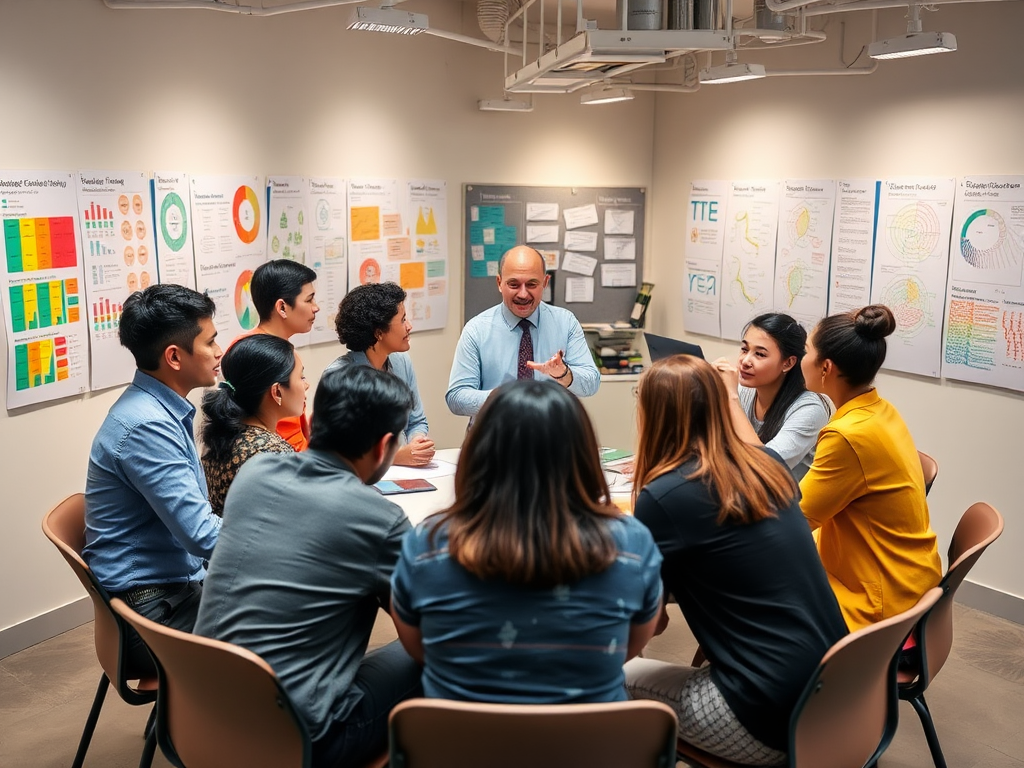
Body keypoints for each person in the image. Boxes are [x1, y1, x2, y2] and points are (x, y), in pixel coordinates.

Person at [625, 355, 847, 766]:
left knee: (612, 681)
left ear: (651, 412)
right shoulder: (768, 466)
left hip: (765, 719)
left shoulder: (665, 496)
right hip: (834, 697)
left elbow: (650, 624)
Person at [194, 365, 421, 768]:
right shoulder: (380, 519)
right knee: (435, 659)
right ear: (385, 446)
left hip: (198, 715)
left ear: (312, 424)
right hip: (301, 740)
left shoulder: (255, 473)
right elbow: (422, 640)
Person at [391, 380, 663, 703]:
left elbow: (418, 648)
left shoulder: (426, 544)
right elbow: (630, 646)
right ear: (584, 454)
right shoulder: (632, 545)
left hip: (459, 735)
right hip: (590, 735)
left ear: (478, 453)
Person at [84, 284, 223, 677]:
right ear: (174, 356)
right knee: (298, 619)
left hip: (165, 595)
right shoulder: (146, 426)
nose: (220, 351)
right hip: (150, 619)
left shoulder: (157, 409)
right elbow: (203, 536)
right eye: (210, 342)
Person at [799, 304, 942, 631]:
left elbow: (797, 520)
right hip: (910, 575)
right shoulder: (881, 410)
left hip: (878, 600)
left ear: (826, 367)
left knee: (748, 585)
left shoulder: (847, 435)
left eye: (806, 350)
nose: (802, 357)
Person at [446, 245, 600, 418]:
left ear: (545, 283)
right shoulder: (476, 330)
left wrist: (564, 374)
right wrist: (505, 398)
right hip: (495, 431)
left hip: (552, 431)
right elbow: (456, 398)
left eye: (532, 284)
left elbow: (592, 383)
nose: (523, 294)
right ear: (499, 283)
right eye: (514, 284)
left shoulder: (566, 323)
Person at [326, 282, 435, 467]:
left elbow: (417, 421)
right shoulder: (338, 376)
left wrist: (418, 442)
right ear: (379, 333)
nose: (409, 326)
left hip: (406, 472)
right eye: (403, 320)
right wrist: (397, 457)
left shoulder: (402, 362)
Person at [712, 313, 830, 481]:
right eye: (744, 349)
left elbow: (764, 467)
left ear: (788, 363)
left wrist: (731, 397)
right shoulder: (744, 390)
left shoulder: (810, 410)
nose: (745, 361)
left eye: (760, 354)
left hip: (779, 496)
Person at [200, 334, 307, 516]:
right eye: (301, 377)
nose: (307, 385)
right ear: (277, 392)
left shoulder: (221, 436)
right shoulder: (271, 452)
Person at [237, 258, 320, 451]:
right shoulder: (253, 355)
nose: (316, 307)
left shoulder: (283, 350)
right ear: (282, 307)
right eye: (309, 300)